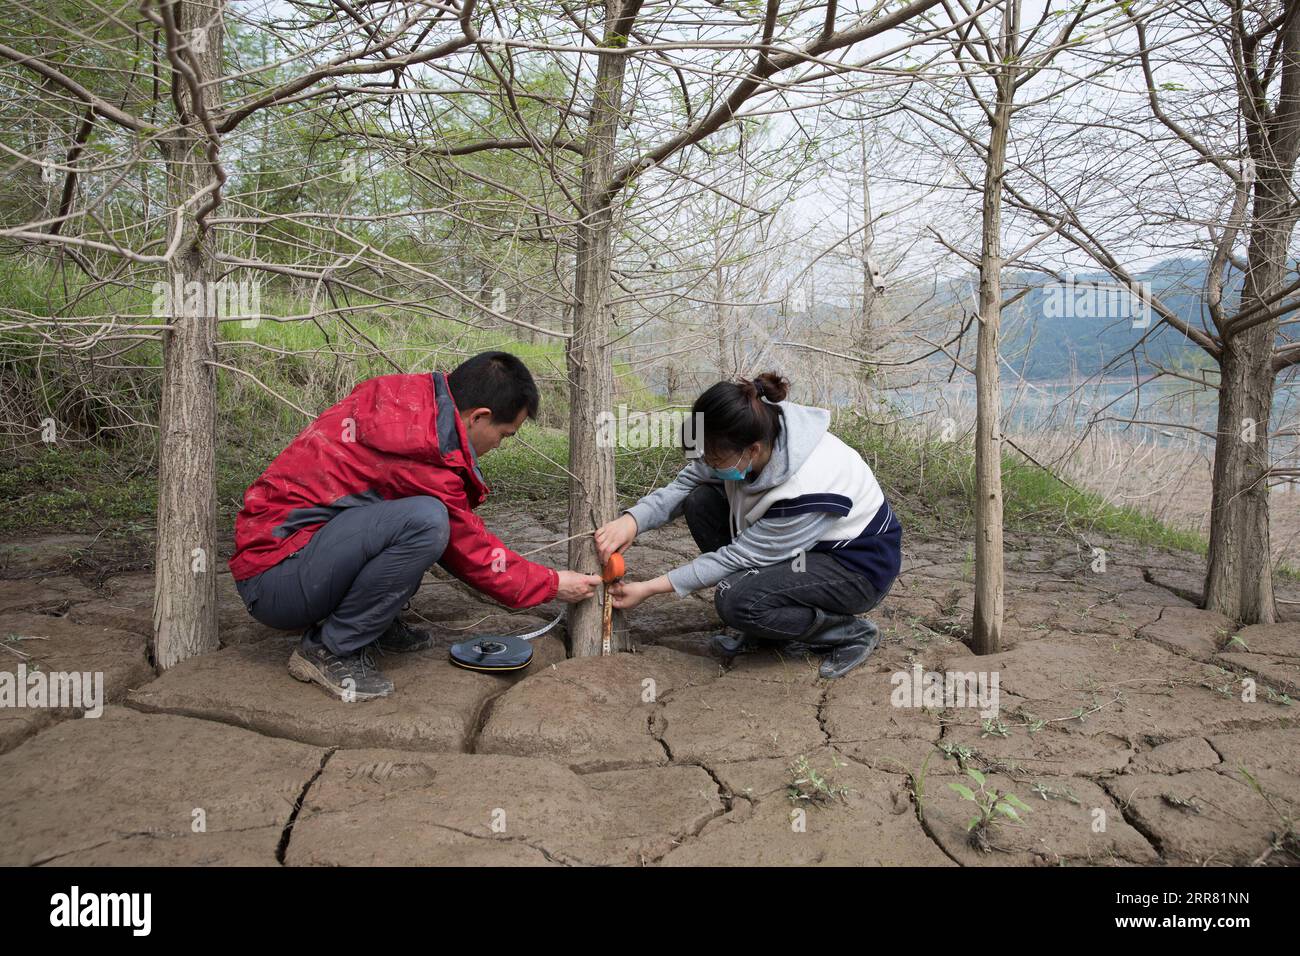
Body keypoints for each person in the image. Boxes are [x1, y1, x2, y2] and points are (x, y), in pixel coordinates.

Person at [229, 351, 602, 701]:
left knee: (411, 515)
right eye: (504, 435)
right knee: (426, 521)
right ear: (478, 416)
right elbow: (471, 552)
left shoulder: (412, 404)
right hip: (276, 580)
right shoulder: (421, 450)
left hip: (294, 560)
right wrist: (552, 583)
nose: (500, 445)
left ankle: (370, 622)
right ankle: (330, 649)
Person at [595, 372, 901, 679]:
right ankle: (771, 627)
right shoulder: (742, 433)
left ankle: (850, 632)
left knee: (736, 601)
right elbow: (688, 482)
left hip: (856, 566)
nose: (708, 463)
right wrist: (631, 521)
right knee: (700, 501)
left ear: (752, 450)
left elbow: (739, 557)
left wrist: (649, 588)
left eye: (714, 459)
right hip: (801, 548)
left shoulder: (808, 486)